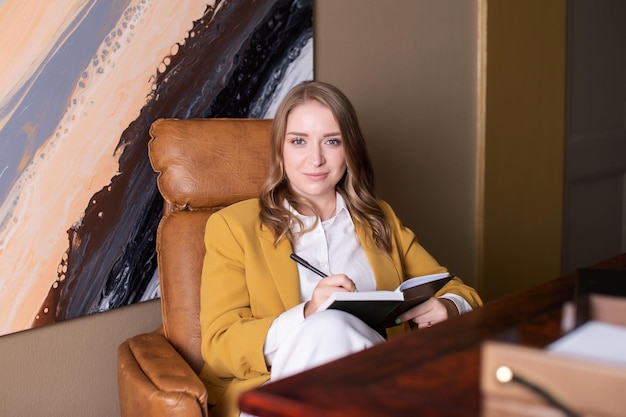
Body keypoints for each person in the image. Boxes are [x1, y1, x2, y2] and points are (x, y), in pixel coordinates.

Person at [198, 80, 482, 417]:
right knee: (328, 327)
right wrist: (307, 314)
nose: (315, 159)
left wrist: (449, 306)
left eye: (331, 142)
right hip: (273, 394)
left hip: (371, 391)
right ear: (280, 149)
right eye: (299, 141)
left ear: (350, 150)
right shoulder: (233, 227)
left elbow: (456, 288)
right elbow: (219, 346)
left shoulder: (378, 219)